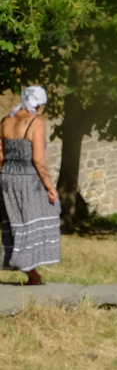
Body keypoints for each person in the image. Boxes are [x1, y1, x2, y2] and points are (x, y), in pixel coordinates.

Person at [1, 86, 58, 285]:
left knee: (15, 224)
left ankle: (32, 273)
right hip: (28, 178)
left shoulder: (6, 121)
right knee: (39, 218)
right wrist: (50, 186)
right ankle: (30, 268)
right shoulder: (36, 122)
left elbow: (0, 156)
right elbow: (39, 159)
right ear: (39, 104)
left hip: (7, 176)